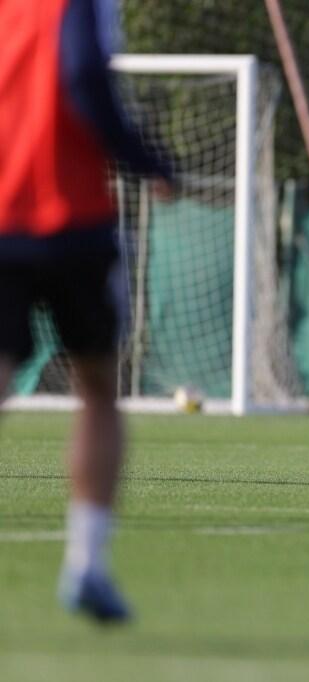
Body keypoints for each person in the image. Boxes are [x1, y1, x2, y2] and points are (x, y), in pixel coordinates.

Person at [0, 0, 174, 621]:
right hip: (73, 221)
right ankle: (87, 565)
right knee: (98, 387)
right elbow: (80, 75)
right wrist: (144, 158)